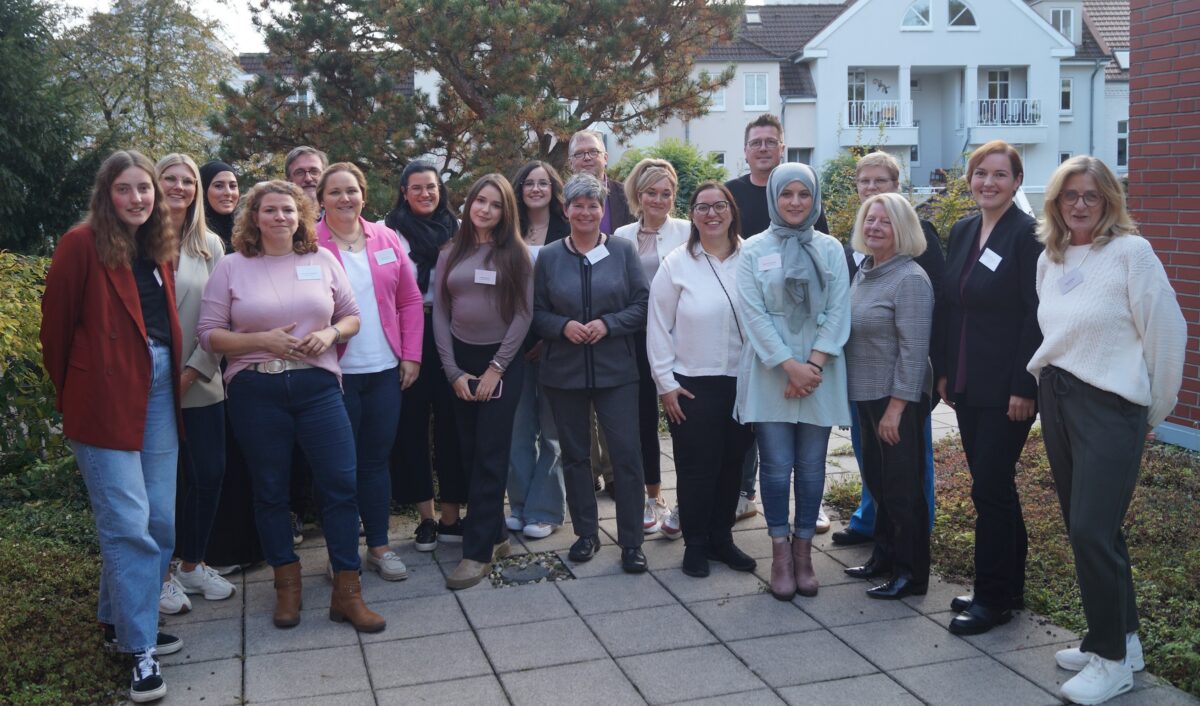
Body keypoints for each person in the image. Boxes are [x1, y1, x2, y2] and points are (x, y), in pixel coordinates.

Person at [1028, 157, 1185, 706]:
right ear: (1055, 201)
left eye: (1090, 196)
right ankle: (1125, 641)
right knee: (1093, 529)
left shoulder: (1131, 254)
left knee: (1093, 531)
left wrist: (1149, 412)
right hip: (1060, 398)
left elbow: (1167, 334)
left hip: (1111, 407)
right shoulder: (1052, 257)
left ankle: (1111, 662)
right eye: (1069, 195)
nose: (1078, 204)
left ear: (1109, 201)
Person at [197, 180, 385, 634]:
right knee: (271, 490)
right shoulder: (231, 266)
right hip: (256, 391)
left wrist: (331, 334)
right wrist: (261, 340)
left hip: (317, 387)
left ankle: (347, 592)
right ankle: (287, 587)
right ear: (254, 218)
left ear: (301, 215)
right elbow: (209, 334)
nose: (280, 217)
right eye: (269, 210)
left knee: (340, 484)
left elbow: (352, 315)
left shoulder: (320, 259)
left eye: (288, 210)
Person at [41, 150, 184, 702]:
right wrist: (75, 396)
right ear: (107, 194)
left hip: (155, 389)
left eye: (144, 189)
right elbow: (55, 332)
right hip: (101, 397)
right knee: (129, 524)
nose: (138, 199)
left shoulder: (157, 246)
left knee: (161, 522)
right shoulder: (81, 244)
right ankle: (139, 652)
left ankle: (115, 624)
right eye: (125, 189)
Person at [932, 140, 1042, 636]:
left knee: (990, 488)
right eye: (980, 173)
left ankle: (992, 598)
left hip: (1007, 389)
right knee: (993, 487)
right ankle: (1009, 585)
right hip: (968, 383)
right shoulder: (963, 230)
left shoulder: (1029, 236)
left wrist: (1025, 385)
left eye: (1000, 175)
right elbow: (952, 305)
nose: (988, 183)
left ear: (1016, 182)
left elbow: (1036, 314)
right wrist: (945, 372)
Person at [735, 163, 850, 600]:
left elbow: (839, 310)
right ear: (774, 198)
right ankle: (780, 552)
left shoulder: (831, 247)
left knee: (812, 467)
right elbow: (753, 314)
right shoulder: (753, 249)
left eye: (804, 194)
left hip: (820, 371)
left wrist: (812, 367)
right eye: (787, 194)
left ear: (814, 198)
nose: (796, 202)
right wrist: (789, 366)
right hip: (771, 371)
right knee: (777, 467)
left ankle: (805, 553)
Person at [533, 173, 650, 574]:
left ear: (603, 211)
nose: (585, 211)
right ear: (565, 210)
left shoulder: (621, 251)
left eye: (593, 205)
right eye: (578, 205)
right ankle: (586, 533)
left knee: (627, 457)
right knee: (575, 456)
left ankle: (632, 542)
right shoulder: (548, 256)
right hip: (564, 372)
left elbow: (642, 302)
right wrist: (562, 327)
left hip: (616, 370)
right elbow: (535, 312)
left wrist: (609, 324)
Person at [315, 163, 424, 581]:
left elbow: (410, 301)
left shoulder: (386, 237)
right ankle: (340, 552)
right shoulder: (310, 242)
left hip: (383, 370)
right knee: (335, 467)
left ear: (364, 195)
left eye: (352, 191)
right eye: (335, 192)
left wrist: (411, 355)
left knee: (375, 463)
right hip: (332, 373)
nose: (345, 199)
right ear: (322, 199)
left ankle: (379, 547)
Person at [834, 151, 944, 547]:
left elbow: (928, 312)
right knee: (873, 460)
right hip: (864, 376)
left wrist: (923, 381)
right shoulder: (856, 246)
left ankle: (915, 534)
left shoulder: (919, 238)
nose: (871, 188)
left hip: (904, 378)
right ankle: (875, 526)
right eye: (865, 182)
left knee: (908, 467)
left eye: (880, 181)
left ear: (896, 186)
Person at [725, 114, 830, 530]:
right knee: (754, 426)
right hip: (750, 314)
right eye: (757, 142)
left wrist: (802, 361)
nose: (764, 148)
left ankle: (808, 505)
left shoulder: (806, 199)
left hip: (802, 333)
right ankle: (743, 493)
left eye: (772, 141)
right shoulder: (732, 194)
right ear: (746, 149)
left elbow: (821, 265)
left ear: (782, 147)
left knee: (802, 445)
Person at [647, 181, 755, 577]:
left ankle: (721, 540)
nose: (711, 214)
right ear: (692, 215)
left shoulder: (753, 257)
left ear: (732, 211)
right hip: (691, 385)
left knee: (732, 465)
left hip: (744, 383)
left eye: (719, 206)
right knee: (696, 468)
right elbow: (657, 326)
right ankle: (695, 544)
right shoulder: (677, 262)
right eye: (702, 207)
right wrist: (665, 384)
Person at [434, 174, 534, 589]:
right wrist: (453, 371)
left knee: (491, 454)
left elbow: (523, 316)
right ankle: (495, 535)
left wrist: (496, 369)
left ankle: (475, 554)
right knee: (469, 451)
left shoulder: (517, 255)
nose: (485, 209)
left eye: (495, 204)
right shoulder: (450, 252)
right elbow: (439, 312)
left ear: (505, 211)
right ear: (469, 204)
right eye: (480, 201)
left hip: (502, 362)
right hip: (460, 360)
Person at [155, 154, 237, 612]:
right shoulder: (137, 243)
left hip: (203, 378)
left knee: (209, 475)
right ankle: (162, 572)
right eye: (171, 178)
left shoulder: (210, 245)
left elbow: (222, 314)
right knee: (164, 485)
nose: (181, 186)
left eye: (188, 180)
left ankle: (192, 564)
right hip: (150, 387)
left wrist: (193, 370)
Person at [844, 193, 934, 600]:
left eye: (885, 222)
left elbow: (914, 352)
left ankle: (911, 575)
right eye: (870, 220)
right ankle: (883, 557)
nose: (875, 227)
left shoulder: (910, 279)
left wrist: (896, 409)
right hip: (865, 395)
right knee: (879, 484)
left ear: (903, 230)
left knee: (902, 490)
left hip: (894, 400)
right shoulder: (865, 271)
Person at [382, 161, 466, 550]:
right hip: (407, 336)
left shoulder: (458, 230)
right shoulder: (387, 233)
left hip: (451, 334)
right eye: (416, 188)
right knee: (411, 428)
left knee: (453, 425)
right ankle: (426, 519)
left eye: (431, 187)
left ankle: (452, 517)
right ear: (403, 191)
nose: (425, 194)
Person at [613, 158, 690, 535]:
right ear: (637, 195)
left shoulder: (688, 231)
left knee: (682, 421)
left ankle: (686, 500)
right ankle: (653, 495)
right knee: (643, 421)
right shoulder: (621, 235)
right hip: (634, 341)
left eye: (666, 193)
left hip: (681, 342)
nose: (659, 200)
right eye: (651, 192)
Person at [196, 161, 264, 574]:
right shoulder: (198, 239)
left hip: (244, 357)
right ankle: (218, 550)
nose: (227, 191)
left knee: (246, 455)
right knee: (218, 459)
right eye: (218, 185)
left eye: (233, 184)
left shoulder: (246, 238)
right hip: (210, 357)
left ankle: (249, 546)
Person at [567, 130, 635, 493]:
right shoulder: (565, 199)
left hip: (615, 308)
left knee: (613, 402)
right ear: (571, 162)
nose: (588, 158)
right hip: (572, 311)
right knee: (581, 407)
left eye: (594, 151)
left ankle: (614, 475)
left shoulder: (626, 194)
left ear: (606, 156)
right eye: (580, 154)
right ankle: (590, 472)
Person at [506, 161, 569, 540]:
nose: (535, 188)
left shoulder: (566, 229)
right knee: (517, 430)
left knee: (552, 432)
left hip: (556, 344)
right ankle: (520, 504)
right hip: (512, 344)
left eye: (543, 182)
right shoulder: (506, 231)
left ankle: (546, 509)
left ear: (553, 188)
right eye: (529, 182)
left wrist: (550, 335)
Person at [199, 160, 239, 249]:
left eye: (232, 186)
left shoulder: (248, 233)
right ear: (202, 190)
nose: (228, 193)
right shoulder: (192, 236)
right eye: (218, 186)